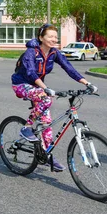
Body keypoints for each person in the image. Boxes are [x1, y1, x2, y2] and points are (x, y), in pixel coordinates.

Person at [11, 24, 97, 172]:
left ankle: (46, 155)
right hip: (21, 84)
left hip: (38, 87)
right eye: (50, 36)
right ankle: (27, 128)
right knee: (46, 99)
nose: (54, 39)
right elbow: (31, 73)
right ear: (41, 38)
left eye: (55, 37)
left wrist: (87, 83)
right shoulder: (31, 52)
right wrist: (45, 88)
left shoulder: (54, 53)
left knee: (47, 124)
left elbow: (69, 68)